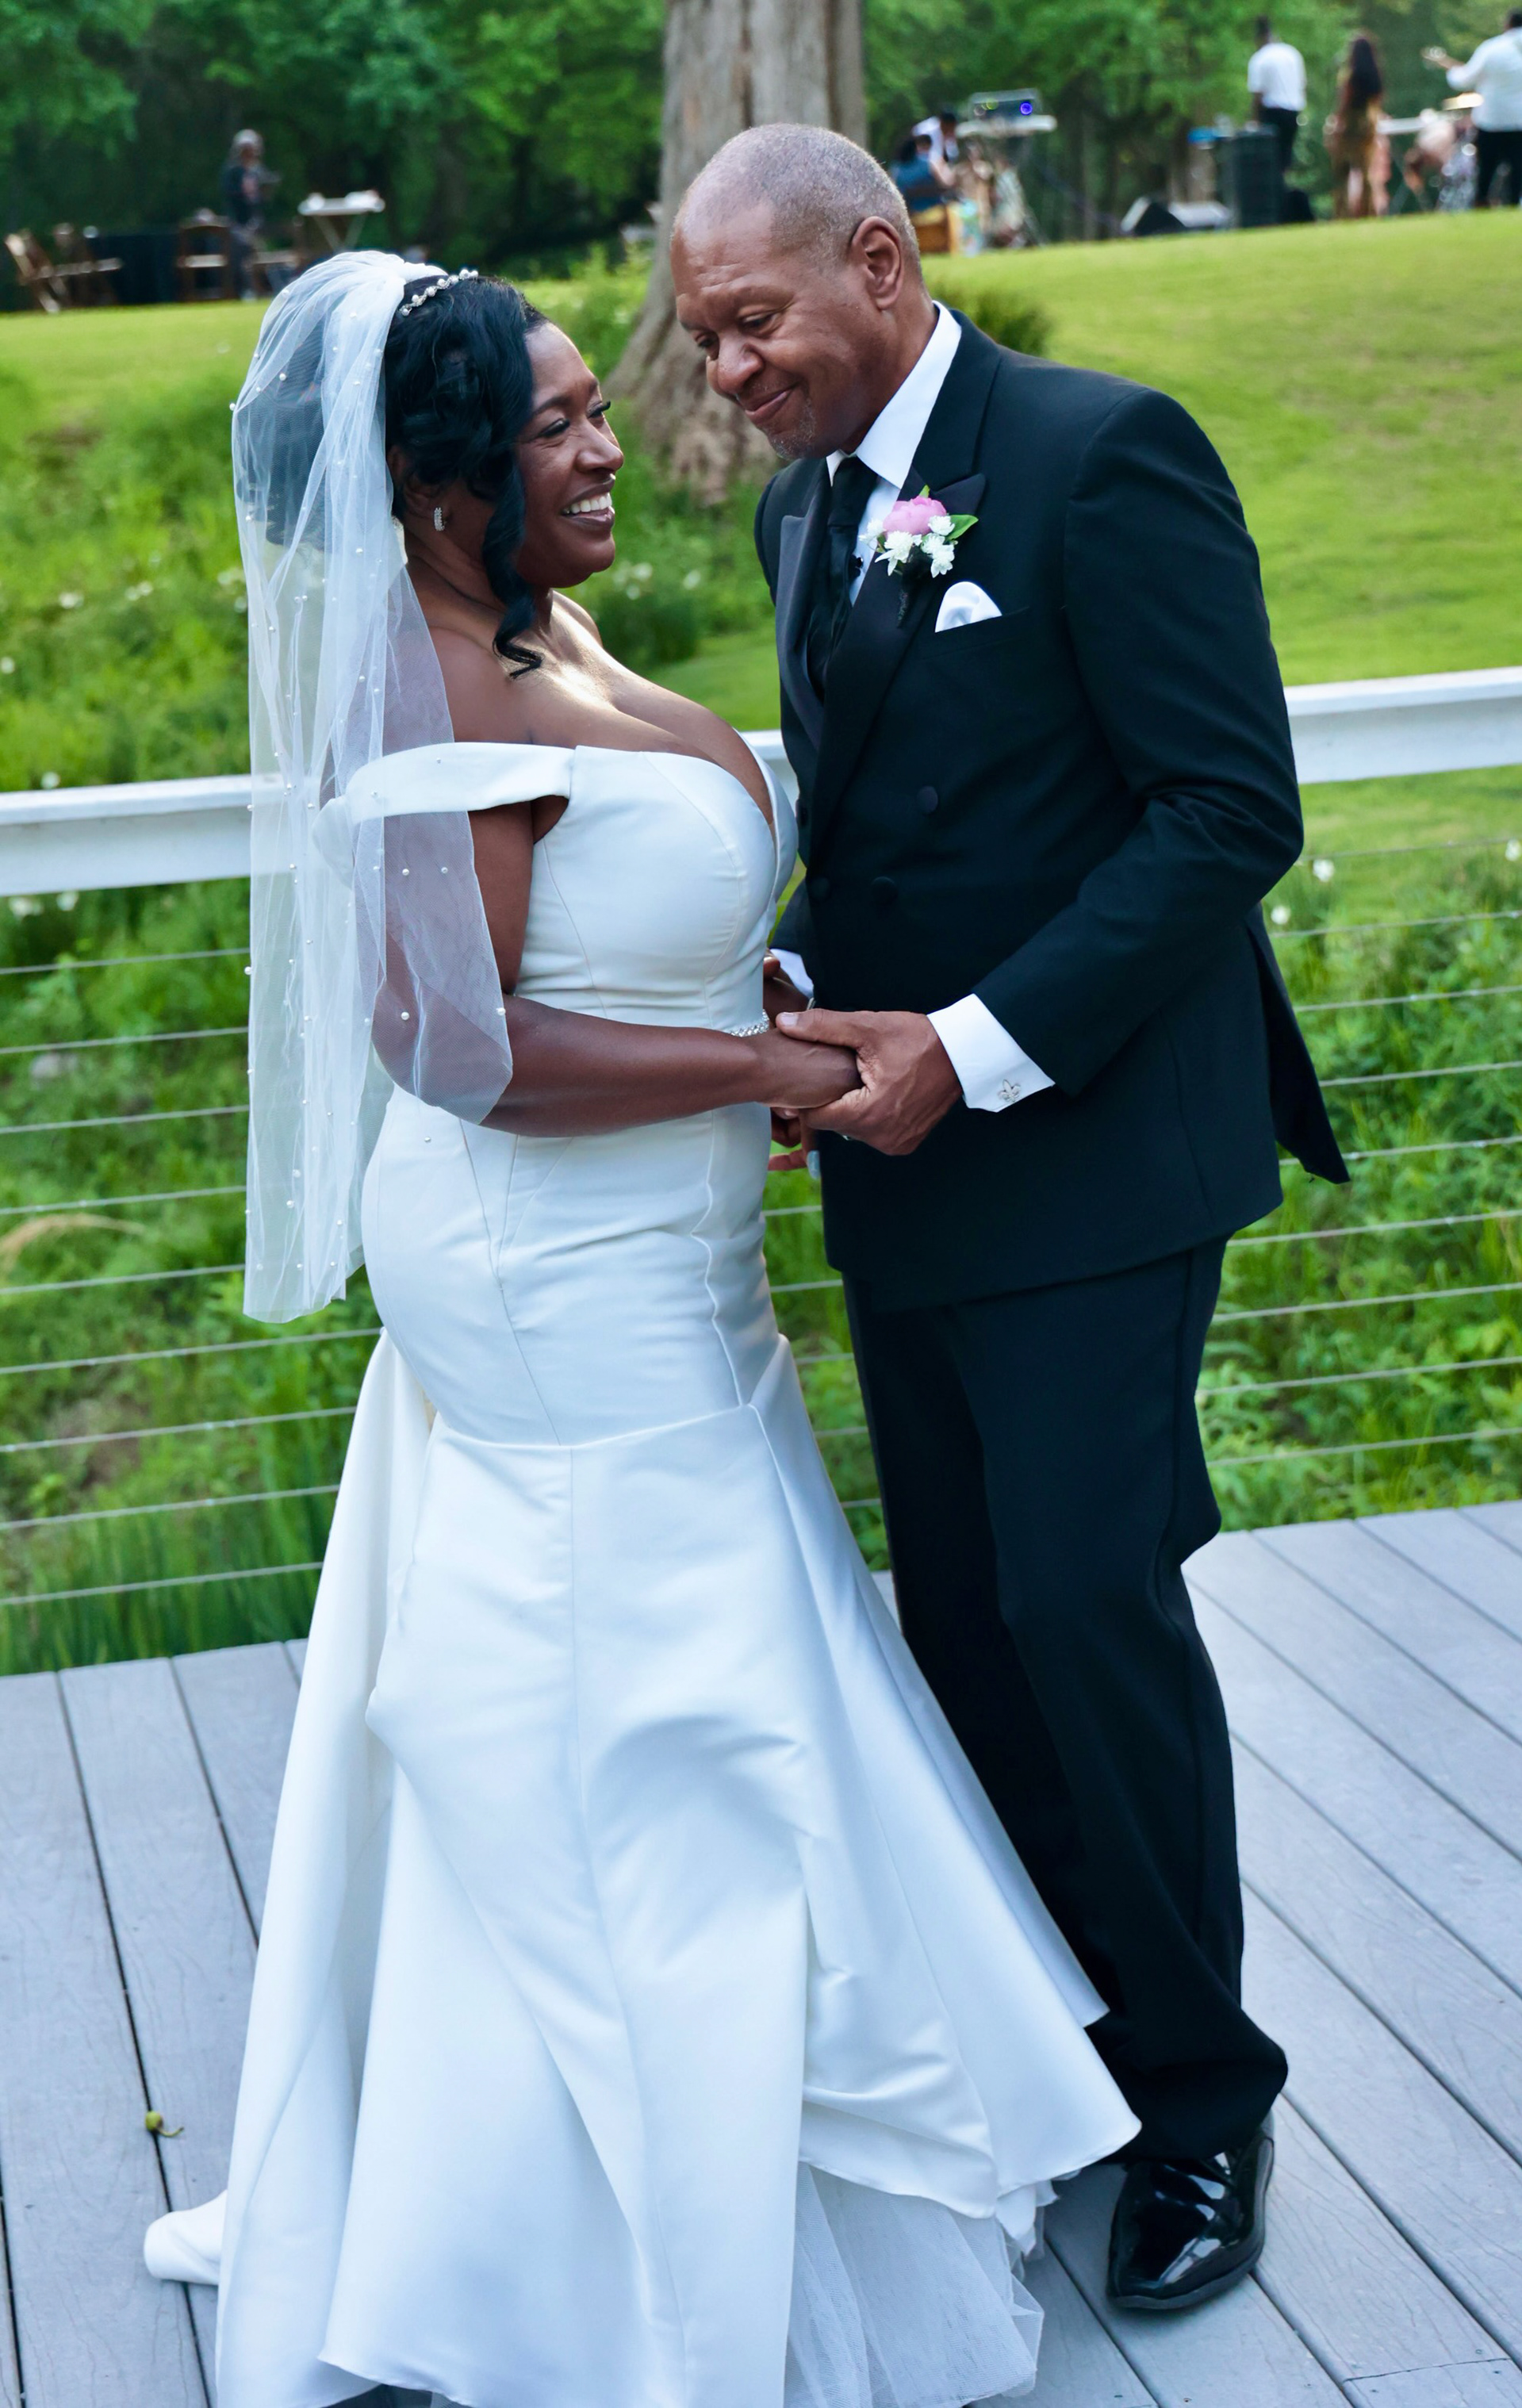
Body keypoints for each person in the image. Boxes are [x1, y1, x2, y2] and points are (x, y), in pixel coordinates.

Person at [141, 248, 1137, 2406]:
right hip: (546, 1265)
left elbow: (600, 930)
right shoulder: (428, 678)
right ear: (434, 484)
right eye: (560, 426)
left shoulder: (534, 623)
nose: (611, 445)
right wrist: (765, 1070)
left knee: (693, 1660)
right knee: (639, 1699)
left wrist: (739, 1004)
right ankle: (630, 2233)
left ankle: (646, 2152)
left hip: (667, 1255)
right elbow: (455, 1042)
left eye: (599, 403)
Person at [672, 122, 1348, 2314]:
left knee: (1085, 1606)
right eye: (702, 342)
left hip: (1100, 1153)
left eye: (751, 324)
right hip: (913, 1171)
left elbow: (1224, 807)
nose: (727, 376)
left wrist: (969, 1042)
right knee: (964, 1625)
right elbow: (883, 829)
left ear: (881, 260)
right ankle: (1066, 2055)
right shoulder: (802, 510)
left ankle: (1204, 2099)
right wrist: (792, 989)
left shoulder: (1099, 452)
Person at [1425, 10, 1522, 203]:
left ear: (1507, 25)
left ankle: (1482, 201)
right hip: (1520, 121)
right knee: (1518, 168)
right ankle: (1514, 203)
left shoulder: (1492, 48)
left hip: (1493, 120)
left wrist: (1452, 70)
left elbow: (1463, 79)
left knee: (1487, 168)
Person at [1327, 32, 1386, 216]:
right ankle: (1368, 210)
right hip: (1369, 123)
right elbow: (1378, 100)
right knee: (1366, 170)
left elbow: (1345, 102)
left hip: (1350, 124)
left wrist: (1336, 125)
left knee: (1342, 170)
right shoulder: (1375, 75)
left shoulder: (1350, 76)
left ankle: (1343, 212)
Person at [218, 128, 278, 299]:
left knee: (260, 247)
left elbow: (263, 201)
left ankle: (267, 287)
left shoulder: (259, 171)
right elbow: (230, 195)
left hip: (256, 224)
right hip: (237, 224)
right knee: (243, 247)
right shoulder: (231, 172)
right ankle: (246, 289)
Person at [1247, 14, 1307, 174]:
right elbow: (1302, 84)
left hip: (1271, 112)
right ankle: (1282, 182)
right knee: (1285, 156)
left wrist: (1254, 121)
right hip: (1293, 111)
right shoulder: (1292, 54)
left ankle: (1271, 186)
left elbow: (1257, 94)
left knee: (1268, 157)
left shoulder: (1260, 58)